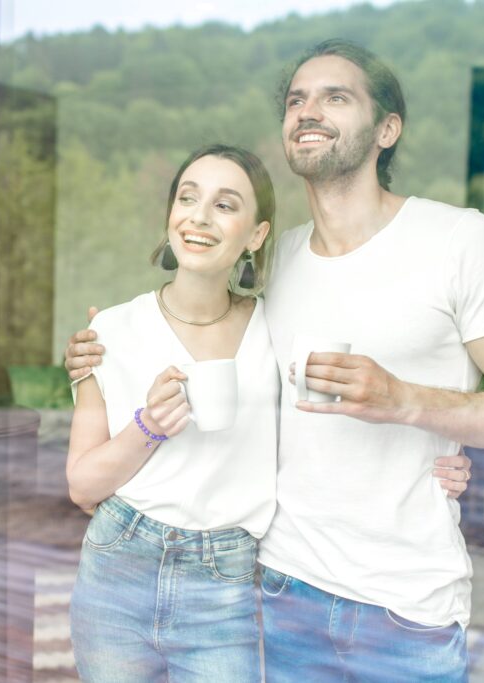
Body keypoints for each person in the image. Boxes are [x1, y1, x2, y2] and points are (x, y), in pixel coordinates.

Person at [66, 39, 484, 682]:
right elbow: (198, 323)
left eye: (336, 96)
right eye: (297, 99)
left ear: (387, 128)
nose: (309, 110)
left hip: (406, 609)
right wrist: (98, 353)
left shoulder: (461, 241)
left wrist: (409, 404)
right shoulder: (277, 269)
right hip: (278, 593)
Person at [66, 144, 277, 682]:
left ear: (256, 235)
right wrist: (149, 427)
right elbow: (83, 485)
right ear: (170, 216)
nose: (200, 216)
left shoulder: (278, 331)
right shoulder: (110, 331)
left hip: (226, 582)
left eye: (226, 205)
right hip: (119, 563)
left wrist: (437, 459)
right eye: (188, 197)